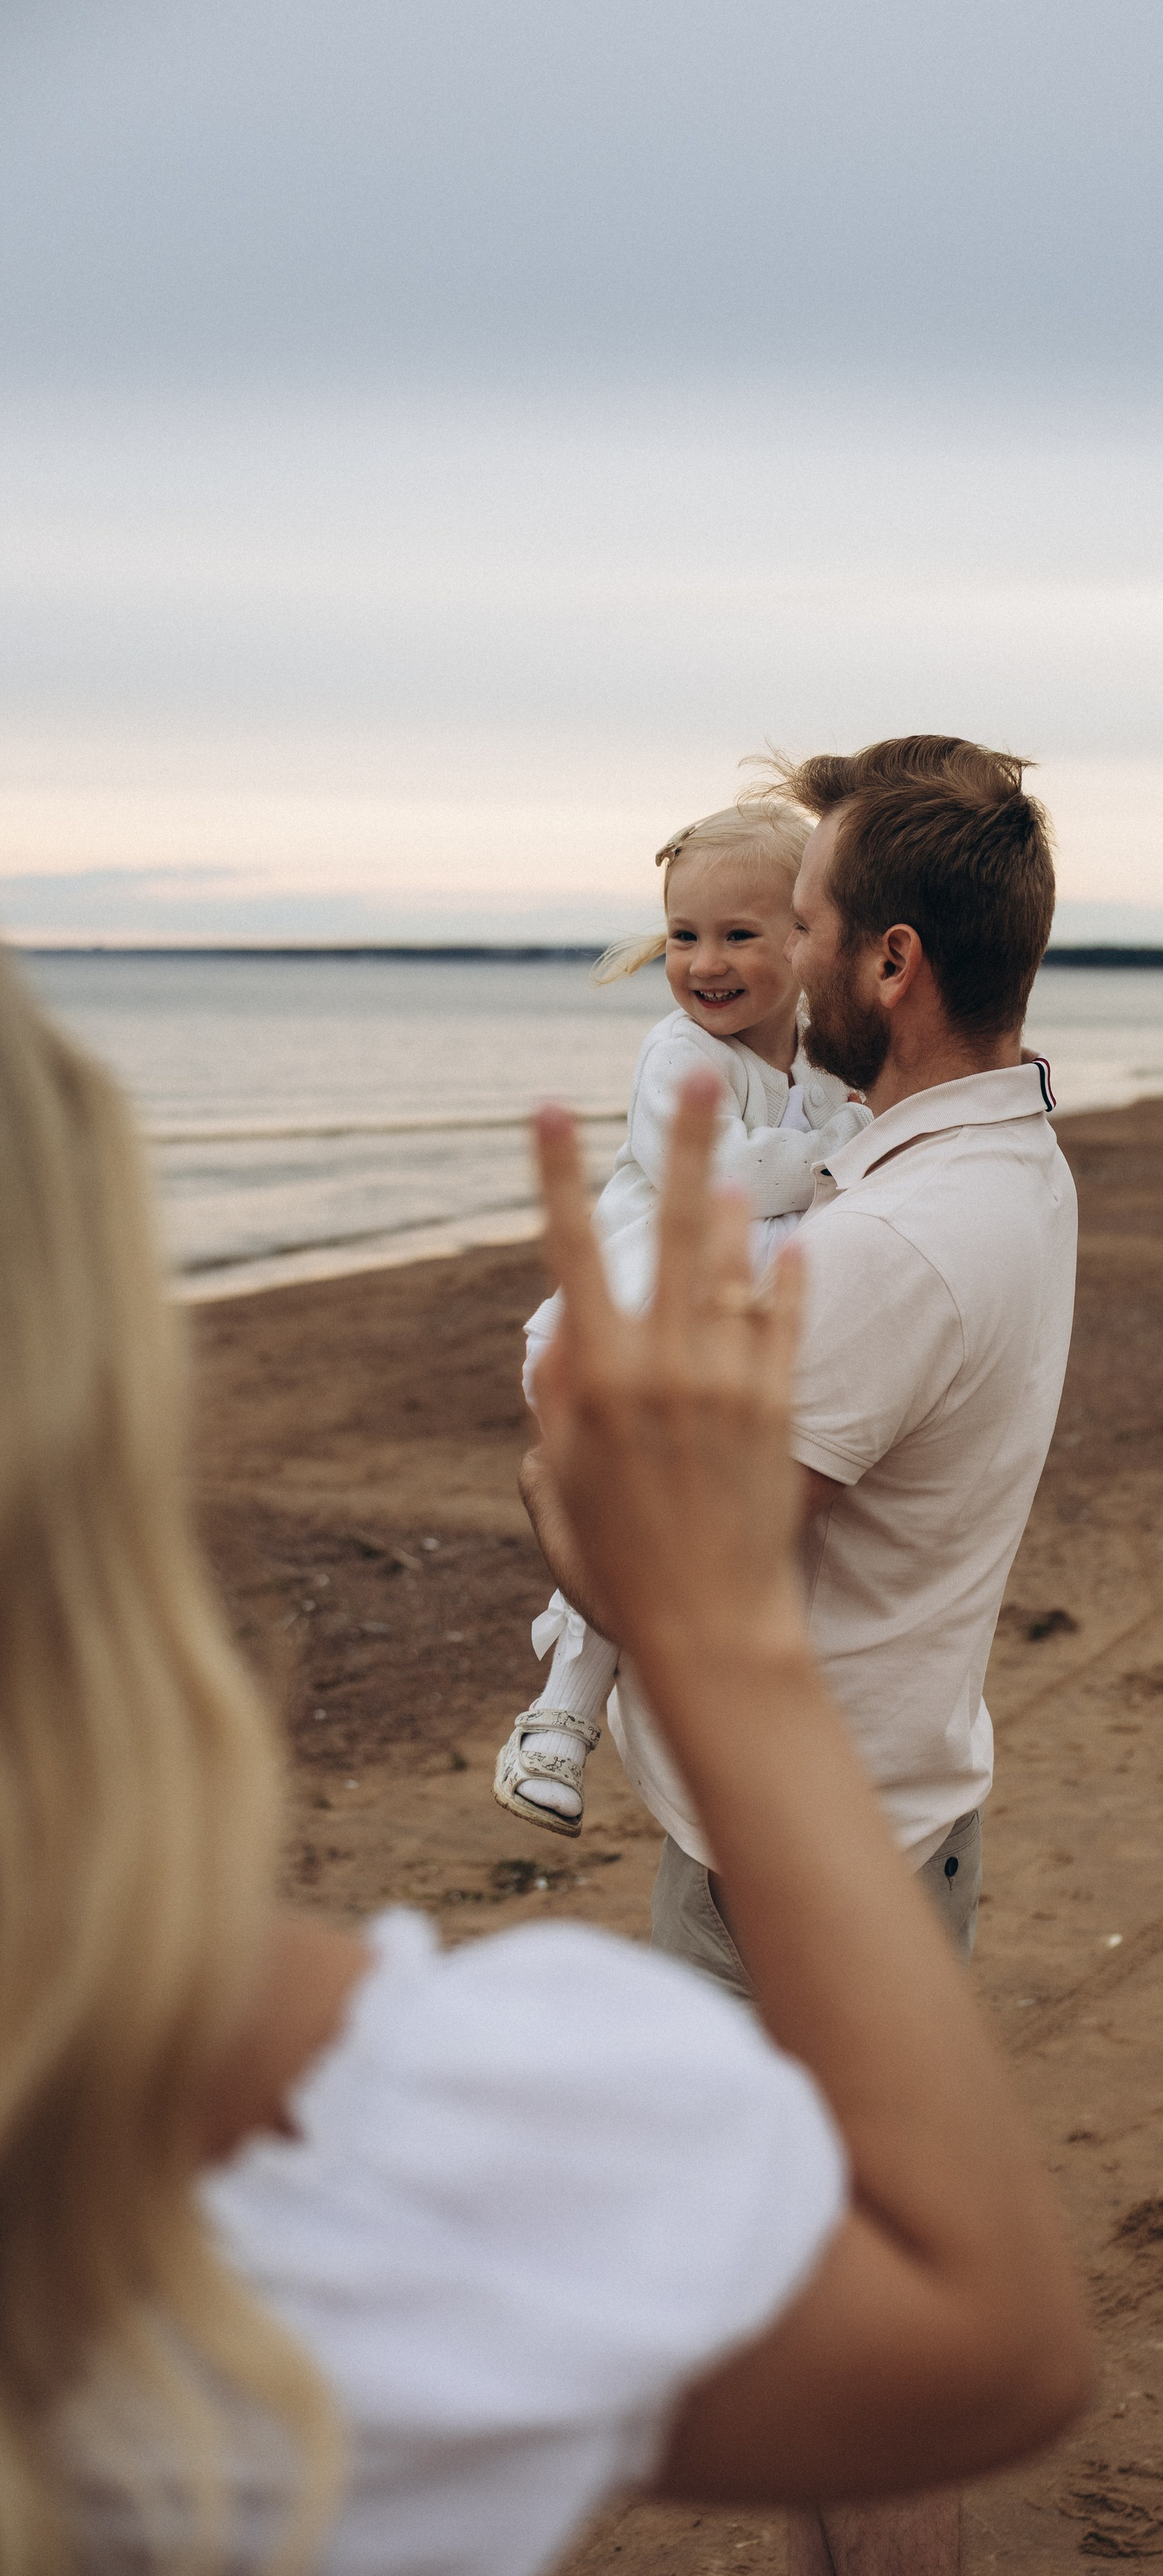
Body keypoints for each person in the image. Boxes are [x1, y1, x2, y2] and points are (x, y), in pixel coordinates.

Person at [0, 952, 1091, 2575]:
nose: (745, 956)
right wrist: (710, 1637)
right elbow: (983, 2344)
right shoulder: (323, 2130)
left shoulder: (926, 1215)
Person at [519, 734, 1078, 2576]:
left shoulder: (887, 1252)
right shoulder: (1005, 1161)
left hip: (797, 1865)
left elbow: (671, 1582)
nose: (774, 957)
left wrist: (554, 1450)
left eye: (811, 922)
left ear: (889, 964)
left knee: (826, 2348)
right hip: (900, 1795)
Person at [493, 799, 870, 1837]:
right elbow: (723, 1182)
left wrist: (843, 1122)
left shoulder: (813, 1068)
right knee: (636, 1510)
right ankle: (558, 1718)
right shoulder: (680, 1059)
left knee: (664, 1521)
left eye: (738, 934)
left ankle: (573, 1712)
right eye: (684, 936)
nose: (705, 961)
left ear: (807, 939)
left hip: (704, 1338)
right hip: (619, 1326)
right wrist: (840, 1144)